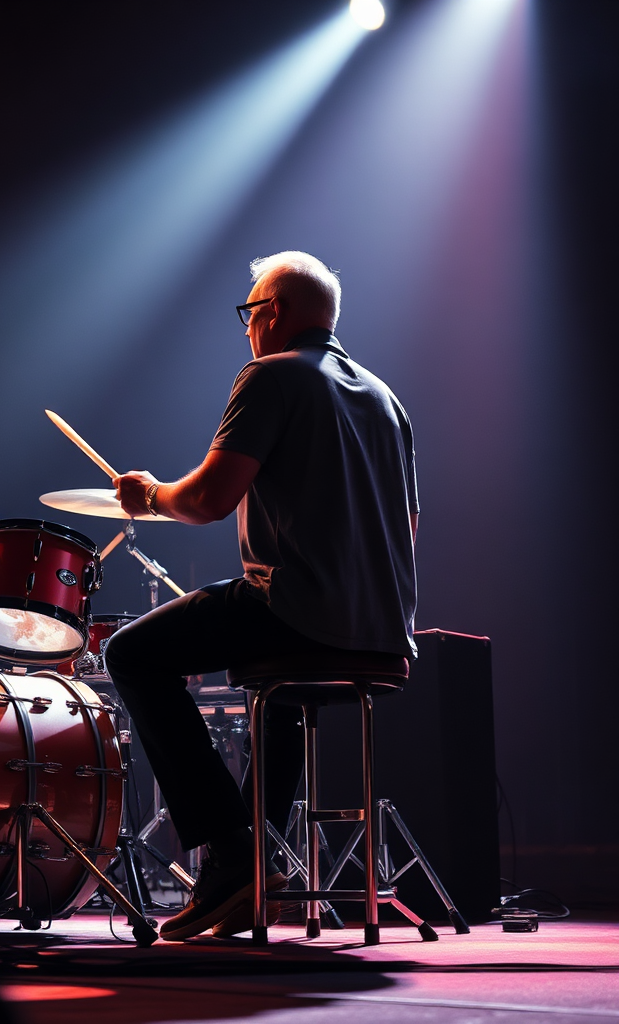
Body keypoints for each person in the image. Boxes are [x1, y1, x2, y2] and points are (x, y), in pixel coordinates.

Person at [106, 250, 418, 941]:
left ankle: (230, 852)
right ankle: (254, 874)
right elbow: (408, 529)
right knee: (277, 705)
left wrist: (150, 496)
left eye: (249, 315)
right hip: (385, 633)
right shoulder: (385, 399)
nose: (246, 330)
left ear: (273, 312)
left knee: (131, 653)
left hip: (299, 611)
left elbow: (213, 499)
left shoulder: (269, 375)